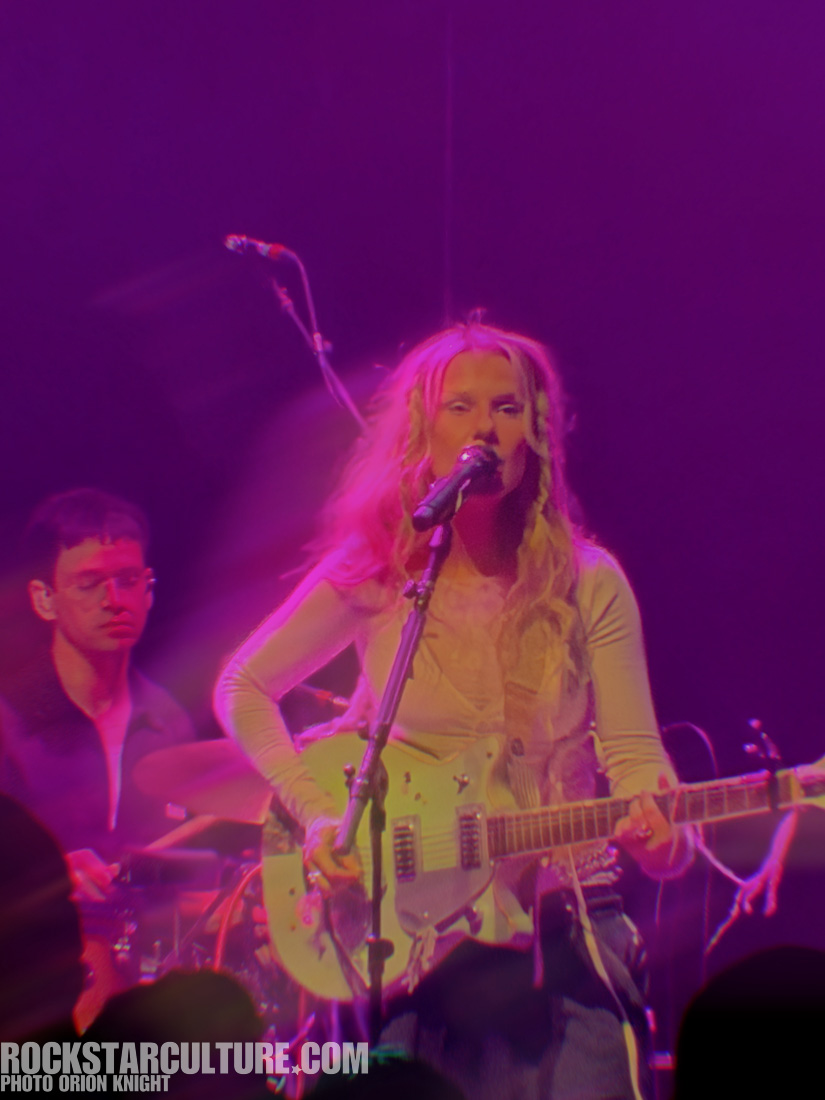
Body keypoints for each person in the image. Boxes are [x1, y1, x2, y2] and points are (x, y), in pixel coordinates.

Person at [215, 321, 692, 1099]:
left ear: (535, 429)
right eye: (460, 407)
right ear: (421, 431)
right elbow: (242, 687)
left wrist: (662, 842)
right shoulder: (377, 575)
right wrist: (314, 815)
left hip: (564, 924)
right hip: (413, 932)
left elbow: (639, 767)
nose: (485, 428)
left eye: (507, 408)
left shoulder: (589, 582)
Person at [0, 489, 197, 1026]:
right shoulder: (7, 723)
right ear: (43, 599)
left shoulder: (169, 721)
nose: (115, 598)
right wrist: (47, 878)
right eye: (89, 584)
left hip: (147, 992)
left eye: (130, 580)